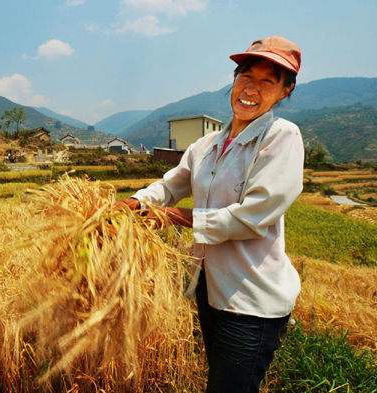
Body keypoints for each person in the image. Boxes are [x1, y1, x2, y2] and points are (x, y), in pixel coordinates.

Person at [117, 36, 304, 393]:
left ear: (284, 91)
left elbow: (251, 216)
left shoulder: (281, 138)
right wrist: (133, 203)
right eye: (246, 77)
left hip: (251, 301)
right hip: (209, 289)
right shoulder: (207, 145)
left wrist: (175, 217)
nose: (251, 89)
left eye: (268, 81)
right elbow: (171, 184)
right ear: (233, 81)